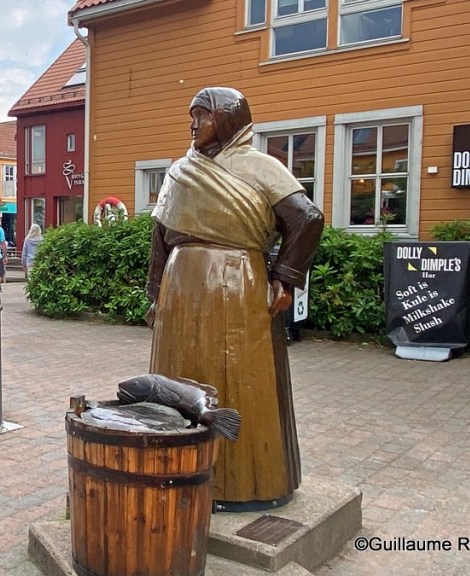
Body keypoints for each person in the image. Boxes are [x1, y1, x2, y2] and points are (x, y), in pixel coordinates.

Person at [146, 87, 324, 510]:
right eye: (191, 117)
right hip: (181, 285)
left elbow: (307, 219)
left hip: (239, 285)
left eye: (201, 117)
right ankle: (177, 470)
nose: (193, 125)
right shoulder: (179, 172)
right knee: (177, 377)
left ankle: (249, 482)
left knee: (245, 380)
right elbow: (160, 238)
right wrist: (155, 294)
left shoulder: (261, 168)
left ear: (226, 120)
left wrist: (285, 276)